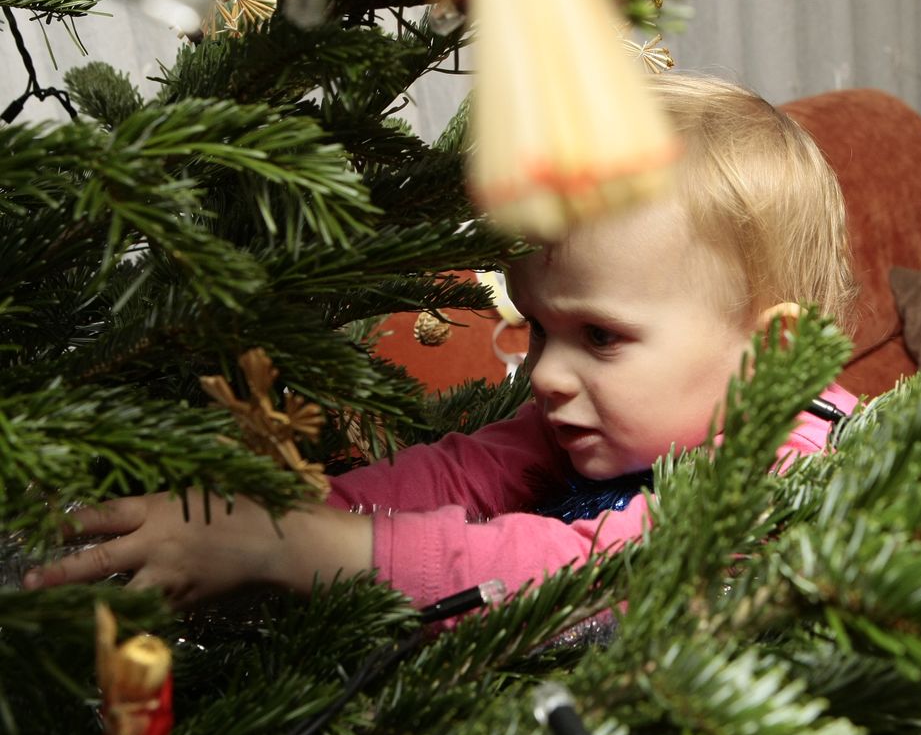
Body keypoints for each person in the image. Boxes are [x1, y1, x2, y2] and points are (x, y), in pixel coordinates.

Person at [23, 74, 859, 610]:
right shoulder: (596, 424)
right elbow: (452, 474)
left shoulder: (798, 463)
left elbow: (593, 573)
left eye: (600, 335)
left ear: (771, 356)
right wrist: (254, 521)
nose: (545, 376)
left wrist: (297, 549)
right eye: (537, 327)